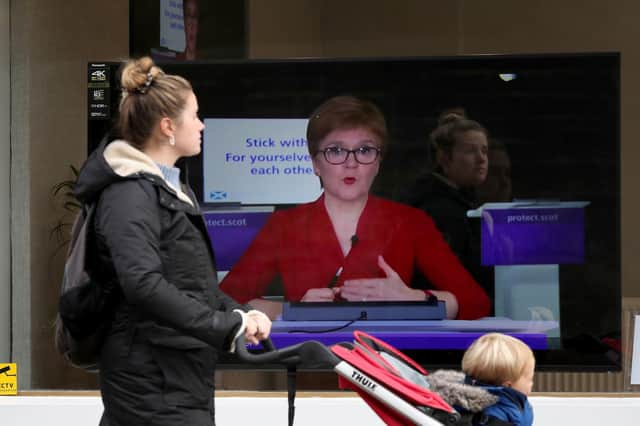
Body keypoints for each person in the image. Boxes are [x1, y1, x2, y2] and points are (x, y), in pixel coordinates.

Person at [74, 56, 271, 425]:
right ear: (167, 126)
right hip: (150, 384)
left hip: (176, 379)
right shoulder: (129, 193)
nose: (201, 125)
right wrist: (223, 327)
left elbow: (191, 283)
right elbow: (143, 285)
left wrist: (238, 313)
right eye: (195, 115)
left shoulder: (169, 188)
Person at [220, 96, 490, 321]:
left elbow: (476, 303)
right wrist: (293, 310)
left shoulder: (410, 222)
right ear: (315, 163)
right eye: (336, 151)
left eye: (364, 150)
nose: (351, 163)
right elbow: (224, 301)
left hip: (387, 369)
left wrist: (415, 298)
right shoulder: (284, 225)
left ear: (378, 162)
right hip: (311, 370)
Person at [401, 110, 494, 302]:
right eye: (470, 151)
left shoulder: (463, 203)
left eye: (484, 150)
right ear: (444, 158)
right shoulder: (438, 210)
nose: (481, 158)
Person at [461, 333, 535, 425]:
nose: (532, 383)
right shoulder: (491, 417)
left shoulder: (514, 401)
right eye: (530, 379)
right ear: (508, 385)